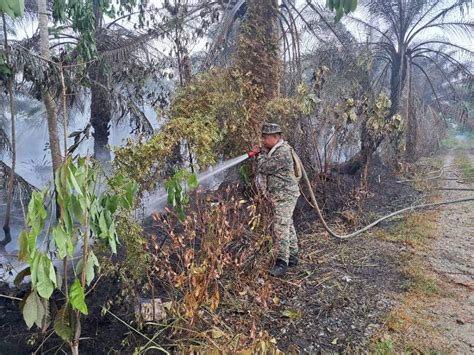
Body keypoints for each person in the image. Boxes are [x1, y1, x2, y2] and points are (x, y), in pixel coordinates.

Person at [249, 123, 302, 276]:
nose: (263, 141)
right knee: (287, 224)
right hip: (281, 195)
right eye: (263, 137)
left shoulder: (283, 152)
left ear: (275, 137)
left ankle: (282, 263)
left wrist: (259, 154)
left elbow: (264, 167)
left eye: (266, 138)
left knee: (280, 227)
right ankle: (293, 257)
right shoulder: (275, 150)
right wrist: (263, 152)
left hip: (286, 195)